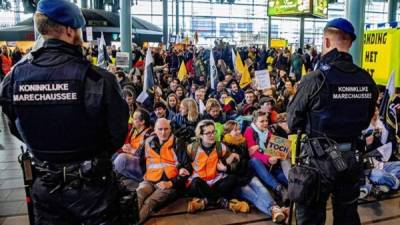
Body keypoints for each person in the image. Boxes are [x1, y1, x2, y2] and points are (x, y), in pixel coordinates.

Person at [0, 0, 129, 224]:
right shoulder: (98, 79)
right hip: (93, 192)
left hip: (44, 187)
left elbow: (14, 126)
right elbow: (117, 134)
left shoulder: (13, 78)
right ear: (70, 30)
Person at [287, 18, 378, 225]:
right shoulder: (366, 79)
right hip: (352, 159)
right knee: (347, 215)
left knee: (311, 217)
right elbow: (366, 120)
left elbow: (293, 121)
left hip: (319, 161)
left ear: (327, 42)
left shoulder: (316, 78)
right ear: (351, 43)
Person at [136, 118, 192, 223]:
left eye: (166, 129)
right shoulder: (147, 142)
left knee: (150, 202)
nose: (163, 132)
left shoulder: (177, 143)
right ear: (155, 130)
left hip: (170, 184)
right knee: (139, 194)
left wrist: (170, 183)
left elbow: (188, 169)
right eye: (160, 129)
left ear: (170, 129)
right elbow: (141, 161)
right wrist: (145, 175)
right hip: (150, 181)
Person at [186, 120, 247, 214]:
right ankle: (227, 204)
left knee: (232, 178)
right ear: (200, 135)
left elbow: (235, 163)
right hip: (199, 183)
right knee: (196, 182)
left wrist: (231, 160)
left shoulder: (221, 147)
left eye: (214, 132)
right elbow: (184, 164)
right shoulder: (192, 148)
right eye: (208, 133)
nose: (212, 135)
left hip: (216, 181)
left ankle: (204, 202)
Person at [113, 109, 152, 182]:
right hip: (132, 161)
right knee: (115, 155)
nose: (131, 121)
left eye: (134, 119)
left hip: (143, 165)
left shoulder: (150, 134)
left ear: (142, 121)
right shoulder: (133, 130)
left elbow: (149, 155)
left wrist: (132, 151)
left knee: (122, 158)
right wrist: (126, 148)